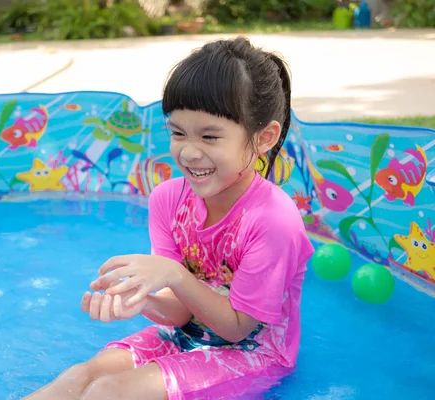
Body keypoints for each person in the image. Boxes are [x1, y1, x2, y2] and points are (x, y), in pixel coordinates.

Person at [23, 36, 315, 400]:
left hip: (250, 355)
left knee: (109, 393)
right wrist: (140, 300)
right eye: (177, 133)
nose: (189, 152)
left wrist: (173, 275)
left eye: (210, 136)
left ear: (263, 137)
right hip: (182, 336)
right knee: (80, 378)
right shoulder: (167, 200)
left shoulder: (273, 221)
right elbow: (179, 314)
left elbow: (238, 328)